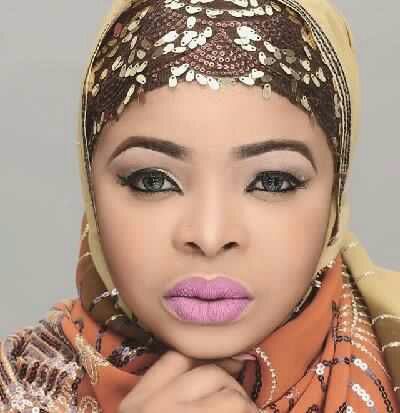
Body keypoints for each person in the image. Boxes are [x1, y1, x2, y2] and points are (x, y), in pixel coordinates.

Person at [0, 0, 399, 411]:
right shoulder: (18, 383)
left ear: (334, 199)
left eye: (272, 181)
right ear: (92, 189)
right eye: (153, 181)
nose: (210, 237)